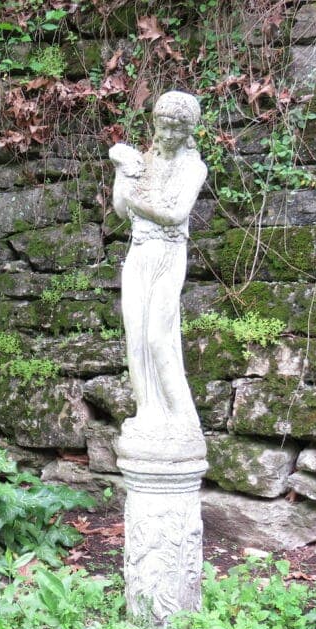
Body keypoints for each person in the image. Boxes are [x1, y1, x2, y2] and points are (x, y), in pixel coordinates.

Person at [110, 91, 207, 462]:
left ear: (187, 132)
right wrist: (123, 172)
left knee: (157, 337)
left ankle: (184, 421)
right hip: (139, 254)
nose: (166, 135)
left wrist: (137, 201)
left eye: (175, 129)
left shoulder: (193, 168)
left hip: (167, 253)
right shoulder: (142, 161)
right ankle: (149, 413)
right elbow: (120, 210)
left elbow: (175, 213)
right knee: (135, 337)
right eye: (162, 127)